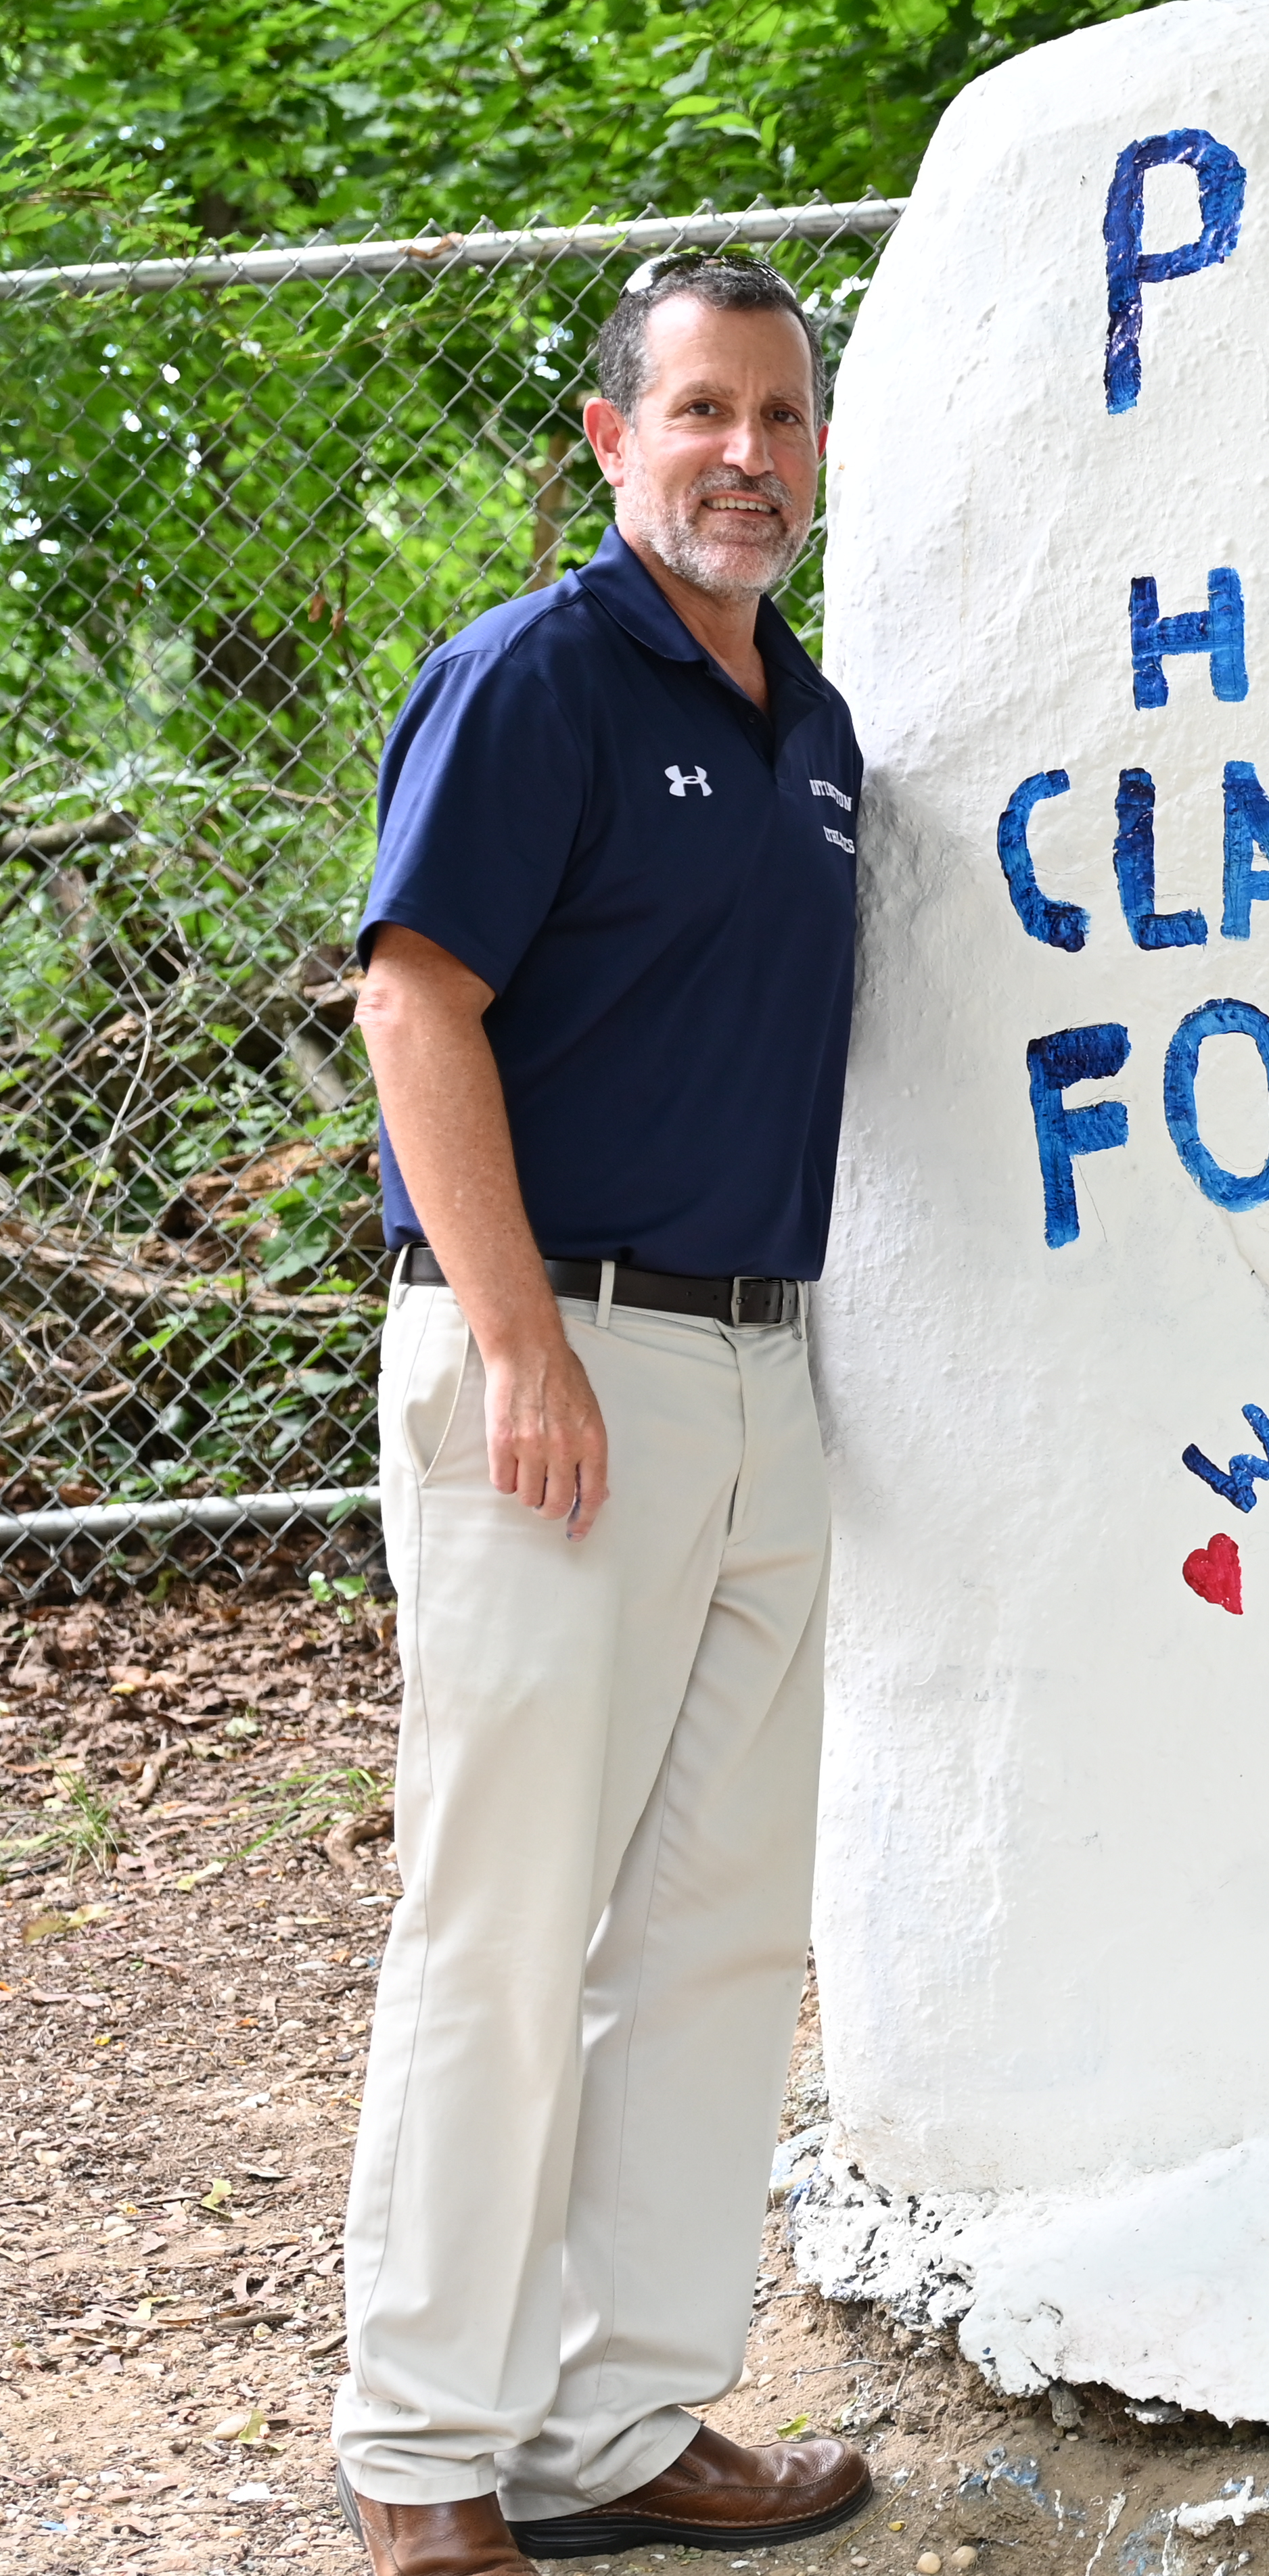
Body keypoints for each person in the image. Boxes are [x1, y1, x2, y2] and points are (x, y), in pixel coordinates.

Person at [338, 252, 873, 2575]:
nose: (745, 452)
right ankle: (425, 2457)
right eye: (702, 413)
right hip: (550, 1363)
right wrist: (522, 1342)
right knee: (505, 1922)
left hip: (763, 1365)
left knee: (719, 1924)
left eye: (782, 416)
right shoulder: (540, 680)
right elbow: (411, 1003)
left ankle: (624, 2419)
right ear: (609, 440)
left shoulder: (819, 727)